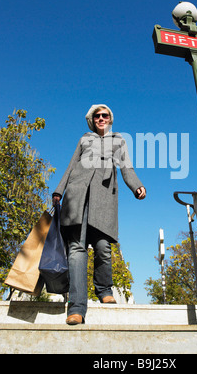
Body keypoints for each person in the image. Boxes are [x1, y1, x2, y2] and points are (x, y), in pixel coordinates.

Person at [52, 104, 146, 325]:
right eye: (97, 116)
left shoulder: (118, 140)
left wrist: (137, 186)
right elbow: (71, 165)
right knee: (77, 250)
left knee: (103, 247)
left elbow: (127, 168)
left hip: (103, 199)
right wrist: (59, 190)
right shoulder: (84, 138)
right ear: (91, 119)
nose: (101, 118)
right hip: (77, 195)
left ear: (110, 118)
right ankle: (76, 308)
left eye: (105, 115)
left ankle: (104, 289)